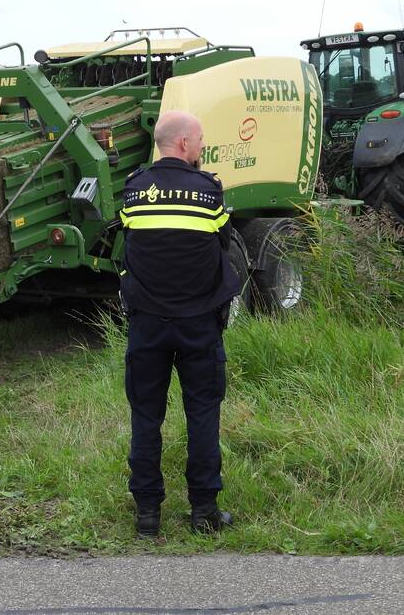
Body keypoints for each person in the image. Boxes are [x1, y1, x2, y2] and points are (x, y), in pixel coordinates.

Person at [118, 110, 242, 537]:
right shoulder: (209, 193)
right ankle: (204, 512)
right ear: (185, 144)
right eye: (201, 140)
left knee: (146, 416)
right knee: (203, 413)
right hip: (199, 326)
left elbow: (130, 248)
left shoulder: (134, 191)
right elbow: (223, 244)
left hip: (147, 325)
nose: (202, 147)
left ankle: (147, 515)